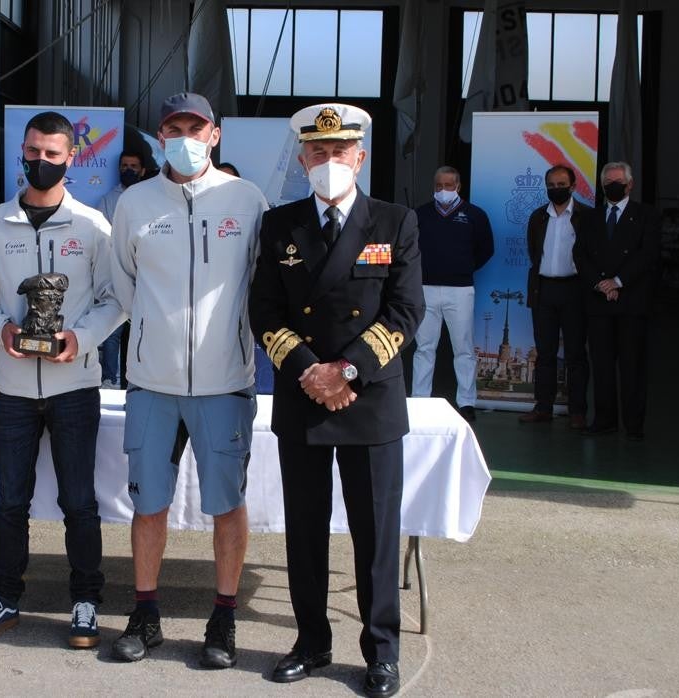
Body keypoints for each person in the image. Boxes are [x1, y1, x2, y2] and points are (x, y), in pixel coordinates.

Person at [249, 103, 424, 698]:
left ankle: (381, 653)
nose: (328, 162)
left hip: (369, 399)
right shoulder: (281, 225)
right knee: (304, 529)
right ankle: (311, 641)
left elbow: (406, 310)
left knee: (375, 533)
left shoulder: (394, 221)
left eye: (339, 152)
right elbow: (264, 309)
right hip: (303, 395)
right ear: (303, 158)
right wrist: (309, 370)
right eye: (317, 153)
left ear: (360, 157)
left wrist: (346, 370)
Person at [109, 92, 267, 668]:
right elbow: (122, 282)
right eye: (173, 128)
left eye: (195, 128)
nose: (184, 138)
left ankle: (222, 618)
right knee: (149, 503)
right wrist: (155, 334)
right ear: (158, 136)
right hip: (152, 380)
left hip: (226, 382)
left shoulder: (247, 200)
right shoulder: (135, 201)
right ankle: (144, 612)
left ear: (215, 135)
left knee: (228, 503)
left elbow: (260, 284)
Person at [0, 111, 124, 648]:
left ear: (71, 158)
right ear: (22, 152)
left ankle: (85, 602)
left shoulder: (93, 228)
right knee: (11, 499)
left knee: (80, 501)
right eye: (33, 152)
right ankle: (5, 595)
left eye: (53, 154)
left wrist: (81, 338)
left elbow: (116, 300)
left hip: (73, 385)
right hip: (10, 384)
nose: (41, 162)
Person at [575, 161, 661, 440]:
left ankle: (634, 424)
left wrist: (619, 281)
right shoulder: (590, 218)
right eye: (607, 183)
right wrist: (600, 283)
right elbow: (581, 255)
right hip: (599, 302)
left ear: (630, 184)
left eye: (617, 182)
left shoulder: (646, 215)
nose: (612, 186)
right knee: (601, 364)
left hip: (631, 302)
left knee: (632, 365)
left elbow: (647, 255)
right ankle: (604, 419)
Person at [410, 165, 493, 422]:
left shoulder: (475, 215)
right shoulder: (420, 214)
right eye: (438, 186)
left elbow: (486, 249)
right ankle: (419, 401)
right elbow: (409, 248)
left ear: (458, 187)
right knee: (424, 348)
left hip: (461, 290)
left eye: (448, 185)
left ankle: (466, 402)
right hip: (425, 289)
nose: (443, 190)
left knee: (464, 349)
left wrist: (463, 268)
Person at [520, 164, 592, 428]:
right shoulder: (538, 217)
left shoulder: (586, 216)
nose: (556, 189)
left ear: (573, 187)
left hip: (575, 290)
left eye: (562, 185)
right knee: (545, 353)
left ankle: (577, 412)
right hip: (544, 290)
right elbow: (533, 251)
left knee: (575, 353)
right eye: (551, 185)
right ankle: (543, 408)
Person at [95, 152, 146, 388]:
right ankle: (110, 379)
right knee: (113, 329)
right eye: (125, 166)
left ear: (142, 170)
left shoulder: (151, 197)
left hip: (145, 273)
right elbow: (106, 236)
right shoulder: (107, 199)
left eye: (133, 166)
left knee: (141, 330)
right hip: (116, 270)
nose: (129, 170)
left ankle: (135, 380)